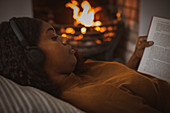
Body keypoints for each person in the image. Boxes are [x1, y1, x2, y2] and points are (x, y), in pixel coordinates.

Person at [0, 17, 169, 113]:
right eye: (53, 38)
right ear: (34, 56)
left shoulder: (75, 71)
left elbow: (119, 82)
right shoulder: (96, 99)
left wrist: (135, 58)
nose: (64, 39)